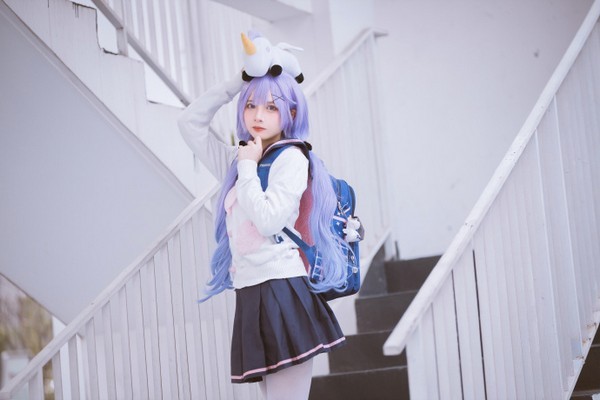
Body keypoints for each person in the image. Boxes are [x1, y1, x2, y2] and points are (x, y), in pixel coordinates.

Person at [178, 58, 348, 400]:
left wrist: (247, 169)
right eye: (251, 105)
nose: (258, 115)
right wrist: (238, 81)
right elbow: (189, 122)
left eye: (271, 107)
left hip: (282, 288)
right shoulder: (238, 159)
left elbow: (269, 220)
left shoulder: (291, 159)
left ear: (291, 113)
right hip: (251, 290)